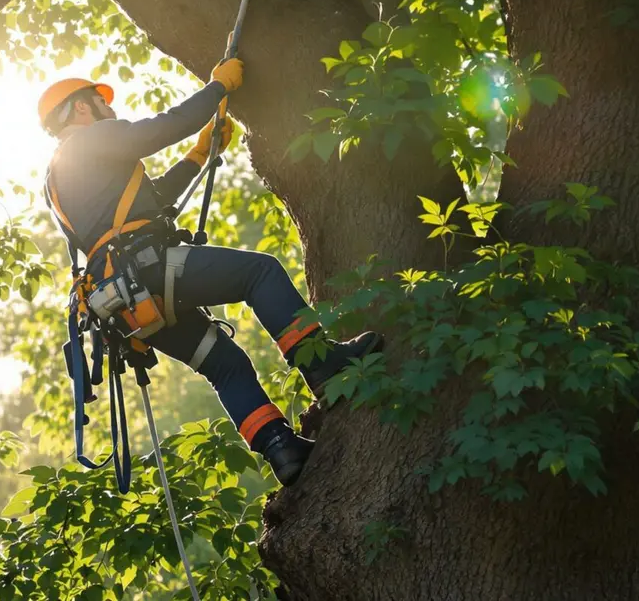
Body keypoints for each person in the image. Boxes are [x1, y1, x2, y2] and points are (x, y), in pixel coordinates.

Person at [36, 60, 381, 486]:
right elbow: (163, 127)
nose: (110, 110)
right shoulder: (90, 140)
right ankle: (323, 364)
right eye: (100, 103)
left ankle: (281, 449)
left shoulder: (59, 178)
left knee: (223, 364)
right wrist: (217, 87)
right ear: (78, 110)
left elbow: (150, 200)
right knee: (261, 273)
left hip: (128, 307)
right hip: (150, 270)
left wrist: (200, 155)